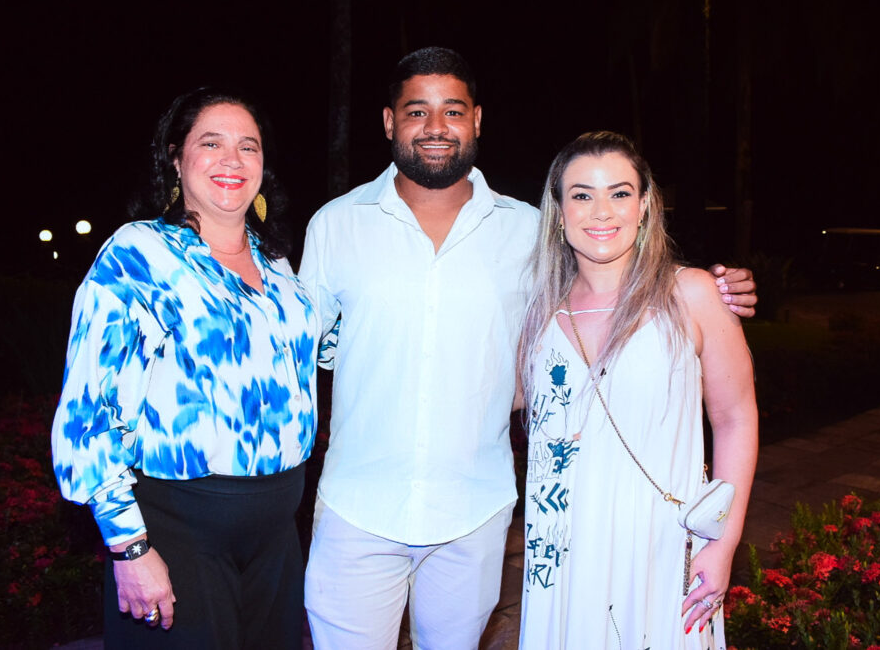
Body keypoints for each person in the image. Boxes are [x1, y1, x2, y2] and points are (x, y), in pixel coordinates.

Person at [299, 47, 757, 649]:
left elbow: (636, 307)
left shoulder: (524, 234)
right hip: (358, 507)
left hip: (477, 515)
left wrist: (720, 287)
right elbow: (303, 349)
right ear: (389, 122)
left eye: (453, 110)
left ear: (478, 119)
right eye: (417, 111)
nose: (436, 127)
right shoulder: (335, 225)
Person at [51, 88, 319, 649]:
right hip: (179, 532)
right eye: (211, 143)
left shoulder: (279, 266)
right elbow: (89, 410)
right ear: (176, 159)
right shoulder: (139, 254)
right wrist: (130, 548)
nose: (233, 160)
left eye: (249, 146)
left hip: (277, 535)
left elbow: (326, 351)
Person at [517, 131, 758, 649]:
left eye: (620, 193)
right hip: (560, 546)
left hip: (661, 545)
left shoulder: (692, 294)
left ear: (645, 205)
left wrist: (725, 542)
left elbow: (736, 418)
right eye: (581, 194)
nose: (601, 211)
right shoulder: (538, 311)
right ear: (559, 211)